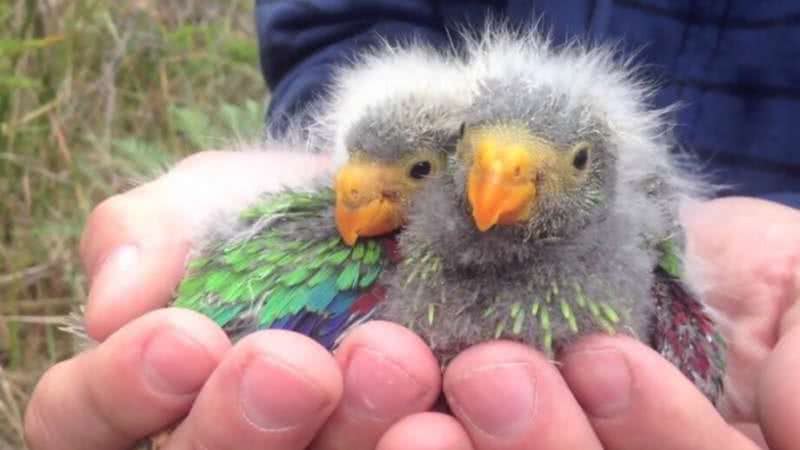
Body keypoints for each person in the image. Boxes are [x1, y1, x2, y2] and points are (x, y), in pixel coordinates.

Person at [25, 2, 800, 450]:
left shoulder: (647, 266)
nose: (493, 189)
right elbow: (344, 26)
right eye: (469, 159)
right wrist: (335, 151)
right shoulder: (379, 244)